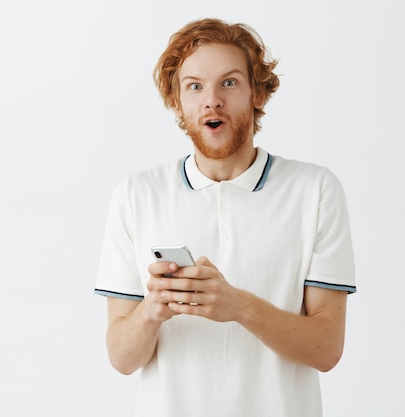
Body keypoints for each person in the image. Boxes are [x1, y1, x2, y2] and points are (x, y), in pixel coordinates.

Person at [94, 18, 356, 417]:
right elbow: (121, 358)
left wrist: (239, 307)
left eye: (229, 83)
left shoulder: (315, 190)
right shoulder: (136, 195)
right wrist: (153, 309)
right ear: (177, 101)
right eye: (194, 86)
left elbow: (327, 349)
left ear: (258, 94)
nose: (212, 100)